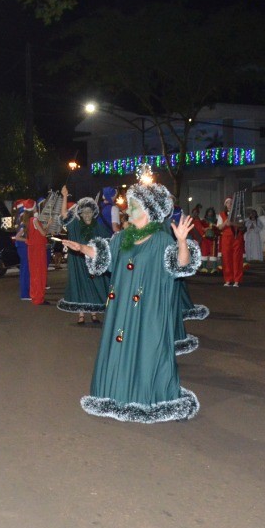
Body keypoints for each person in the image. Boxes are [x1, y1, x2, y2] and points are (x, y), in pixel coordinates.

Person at [61, 169, 202, 424]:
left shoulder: (161, 240)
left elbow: (181, 265)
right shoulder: (123, 238)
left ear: (148, 211)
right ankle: (117, 395)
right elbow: (105, 256)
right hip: (122, 310)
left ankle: (151, 398)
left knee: (149, 350)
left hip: (149, 311)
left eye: (134, 206)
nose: (129, 210)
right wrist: (81, 248)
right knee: (120, 346)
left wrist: (182, 241)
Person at [58, 194, 111, 323]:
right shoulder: (75, 225)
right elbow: (64, 215)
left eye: (89, 212)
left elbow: (108, 244)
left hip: (92, 262)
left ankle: (93, 313)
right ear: (80, 214)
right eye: (84, 212)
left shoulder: (99, 227)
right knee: (80, 285)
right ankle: (81, 314)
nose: (87, 215)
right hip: (78, 261)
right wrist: (64, 196)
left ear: (94, 213)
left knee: (94, 285)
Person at [26, 197, 50, 305]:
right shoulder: (34, 220)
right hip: (38, 250)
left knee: (34, 274)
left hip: (32, 250)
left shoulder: (27, 220)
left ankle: (35, 296)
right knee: (40, 274)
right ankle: (39, 298)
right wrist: (49, 224)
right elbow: (43, 233)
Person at [219, 206, 245, 288]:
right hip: (226, 239)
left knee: (237, 258)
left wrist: (232, 223)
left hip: (236, 238)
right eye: (227, 203)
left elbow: (242, 225)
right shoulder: (222, 215)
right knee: (226, 259)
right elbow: (219, 227)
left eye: (231, 203)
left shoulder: (238, 214)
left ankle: (237, 280)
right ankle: (228, 279)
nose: (229, 205)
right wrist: (225, 223)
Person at [12, 201, 32, 301]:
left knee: (25, 270)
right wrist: (28, 240)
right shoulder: (23, 225)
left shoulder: (21, 224)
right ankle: (25, 294)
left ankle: (26, 292)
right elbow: (17, 237)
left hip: (22, 247)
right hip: (23, 248)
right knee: (25, 271)